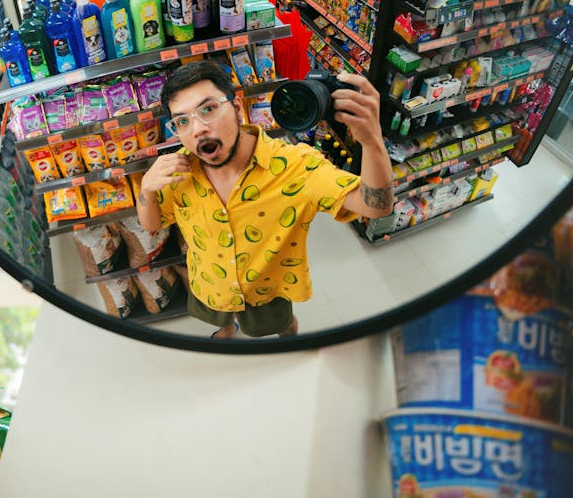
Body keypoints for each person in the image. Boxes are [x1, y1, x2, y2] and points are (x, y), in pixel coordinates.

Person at [136, 61, 393, 338]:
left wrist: (372, 141)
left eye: (208, 109)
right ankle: (226, 327)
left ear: (236, 109)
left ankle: (289, 337)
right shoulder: (178, 173)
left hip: (268, 291)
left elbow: (375, 206)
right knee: (217, 316)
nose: (197, 129)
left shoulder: (296, 166)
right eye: (182, 121)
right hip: (210, 283)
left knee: (282, 326)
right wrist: (147, 190)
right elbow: (152, 224)